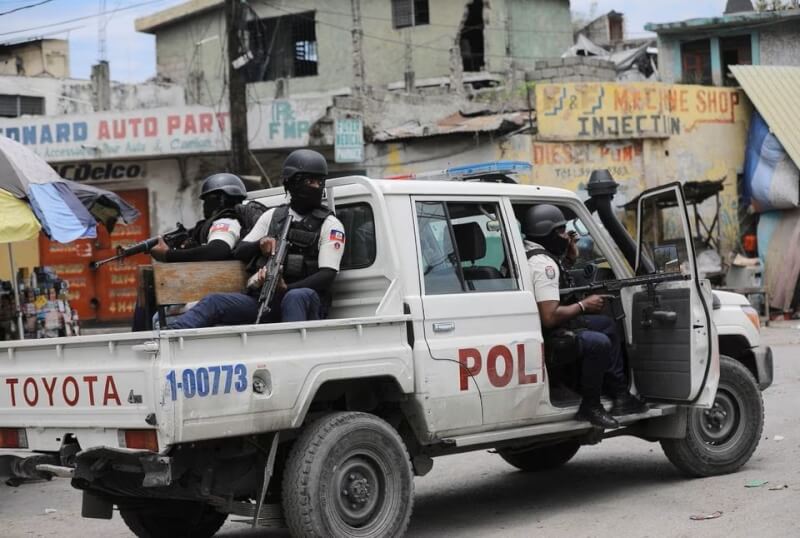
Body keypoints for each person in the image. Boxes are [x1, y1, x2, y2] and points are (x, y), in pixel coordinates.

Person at [166, 149, 345, 329]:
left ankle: (291, 352)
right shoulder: (273, 216)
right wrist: (260, 245)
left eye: (319, 182)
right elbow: (240, 251)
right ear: (291, 183)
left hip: (306, 303)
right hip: (266, 298)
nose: (315, 186)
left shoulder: (330, 224)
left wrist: (285, 289)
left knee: (296, 296)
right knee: (214, 302)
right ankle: (169, 339)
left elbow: (327, 275)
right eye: (309, 181)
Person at [523, 204, 647, 429]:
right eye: (561, 232)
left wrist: (570, 257)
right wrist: (583, 305)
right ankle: (591, 405)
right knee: (598, 343)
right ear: (547, 233)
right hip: (549, 336)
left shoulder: (530, 252)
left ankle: (620, 394)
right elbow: (549, 317)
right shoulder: (543, 264)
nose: (565, 237)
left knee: (607, 325)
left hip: (542, 328)